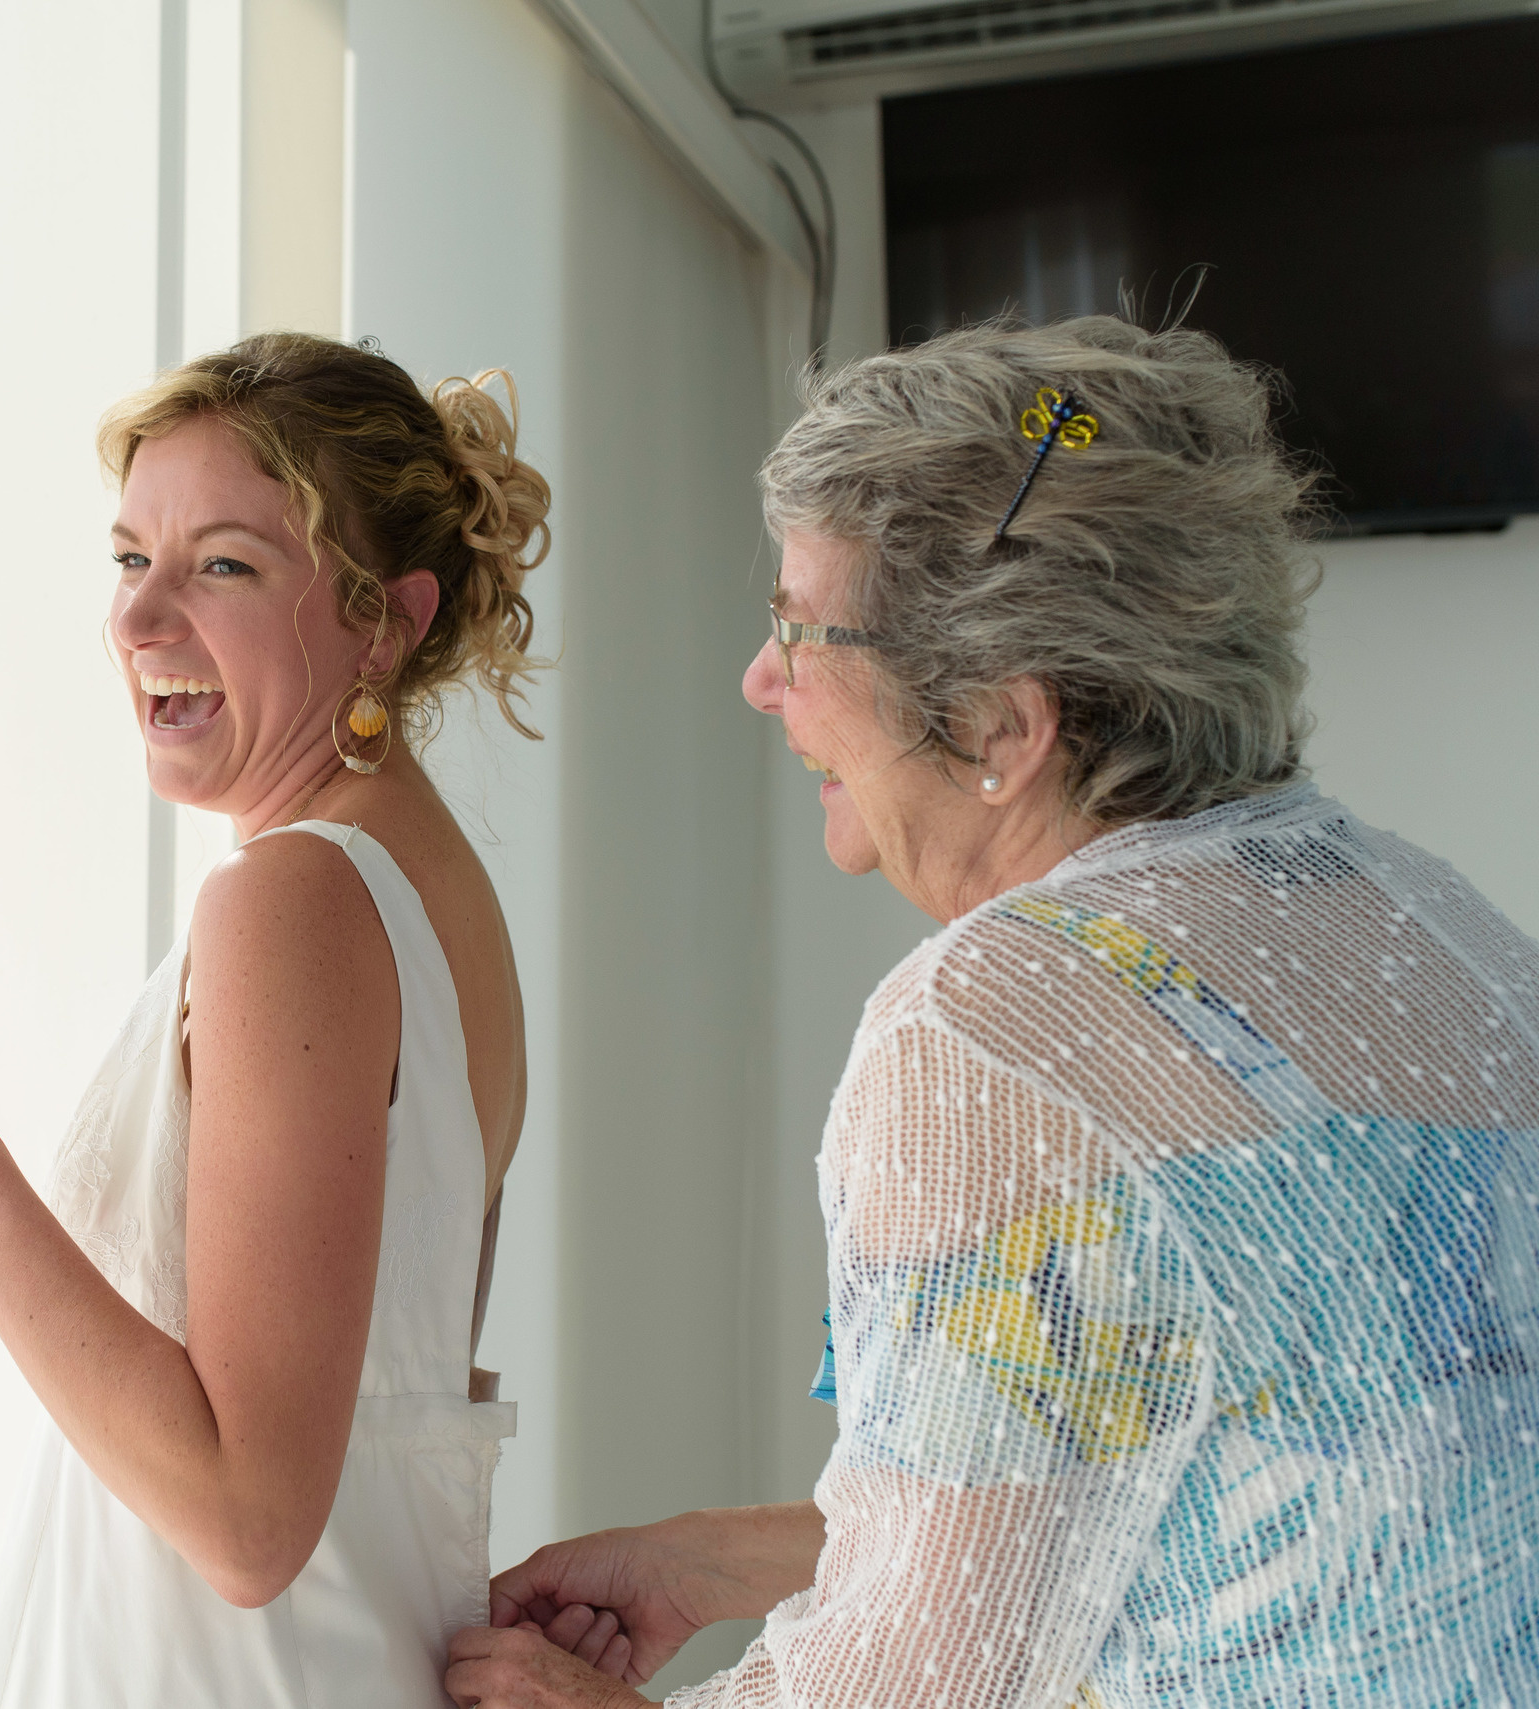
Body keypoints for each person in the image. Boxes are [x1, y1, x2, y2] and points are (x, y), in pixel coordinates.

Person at [446, 316, 1539, 1707]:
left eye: (799, 626)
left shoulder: (990, 1033)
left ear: (1001, 729)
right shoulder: (1442, 927)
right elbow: (1220, 1478)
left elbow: (918, 1684)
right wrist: (717, 1559)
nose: (761, 677)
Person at [0, 331, 550, 1706]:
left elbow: (249, 1518)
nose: (138, 622)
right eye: (132, 559)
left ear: (387, 618)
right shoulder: (436, 894)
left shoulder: (293, 900)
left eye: (225, 565)